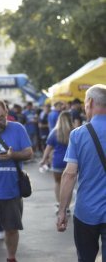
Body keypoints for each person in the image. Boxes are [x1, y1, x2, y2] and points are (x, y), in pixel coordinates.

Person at [57, 84, 106, 262]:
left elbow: (70, 174)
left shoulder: (78, 135)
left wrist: (62, 210)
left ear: (90, 103)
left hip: (87, 212)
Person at [0, 100, 33, 262]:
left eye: (1, 118)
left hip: (12, 189)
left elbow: (29, 153)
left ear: (7, 113)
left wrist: (13, 155)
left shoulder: (17, 128)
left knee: (12, 229)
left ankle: (11, 258)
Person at [40, 111, 74, 215]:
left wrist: (43, 159)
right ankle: (67, 208)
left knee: (58, 183)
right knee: (69, 185)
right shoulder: (74, 132)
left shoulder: (54, 132)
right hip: (71, 162)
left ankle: (60, 205)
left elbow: (48, 148)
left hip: (58, 162)